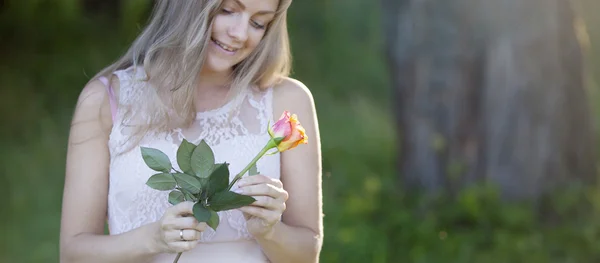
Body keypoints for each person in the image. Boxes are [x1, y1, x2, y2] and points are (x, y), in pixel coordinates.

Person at [59, 0, 323, 262]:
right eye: (227, 11)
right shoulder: (105, 100)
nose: (240, 34)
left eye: (258, 23)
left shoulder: (286, 99)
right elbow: (73, 254)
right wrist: (151, 239)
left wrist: (270, 232)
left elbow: (307, 254)